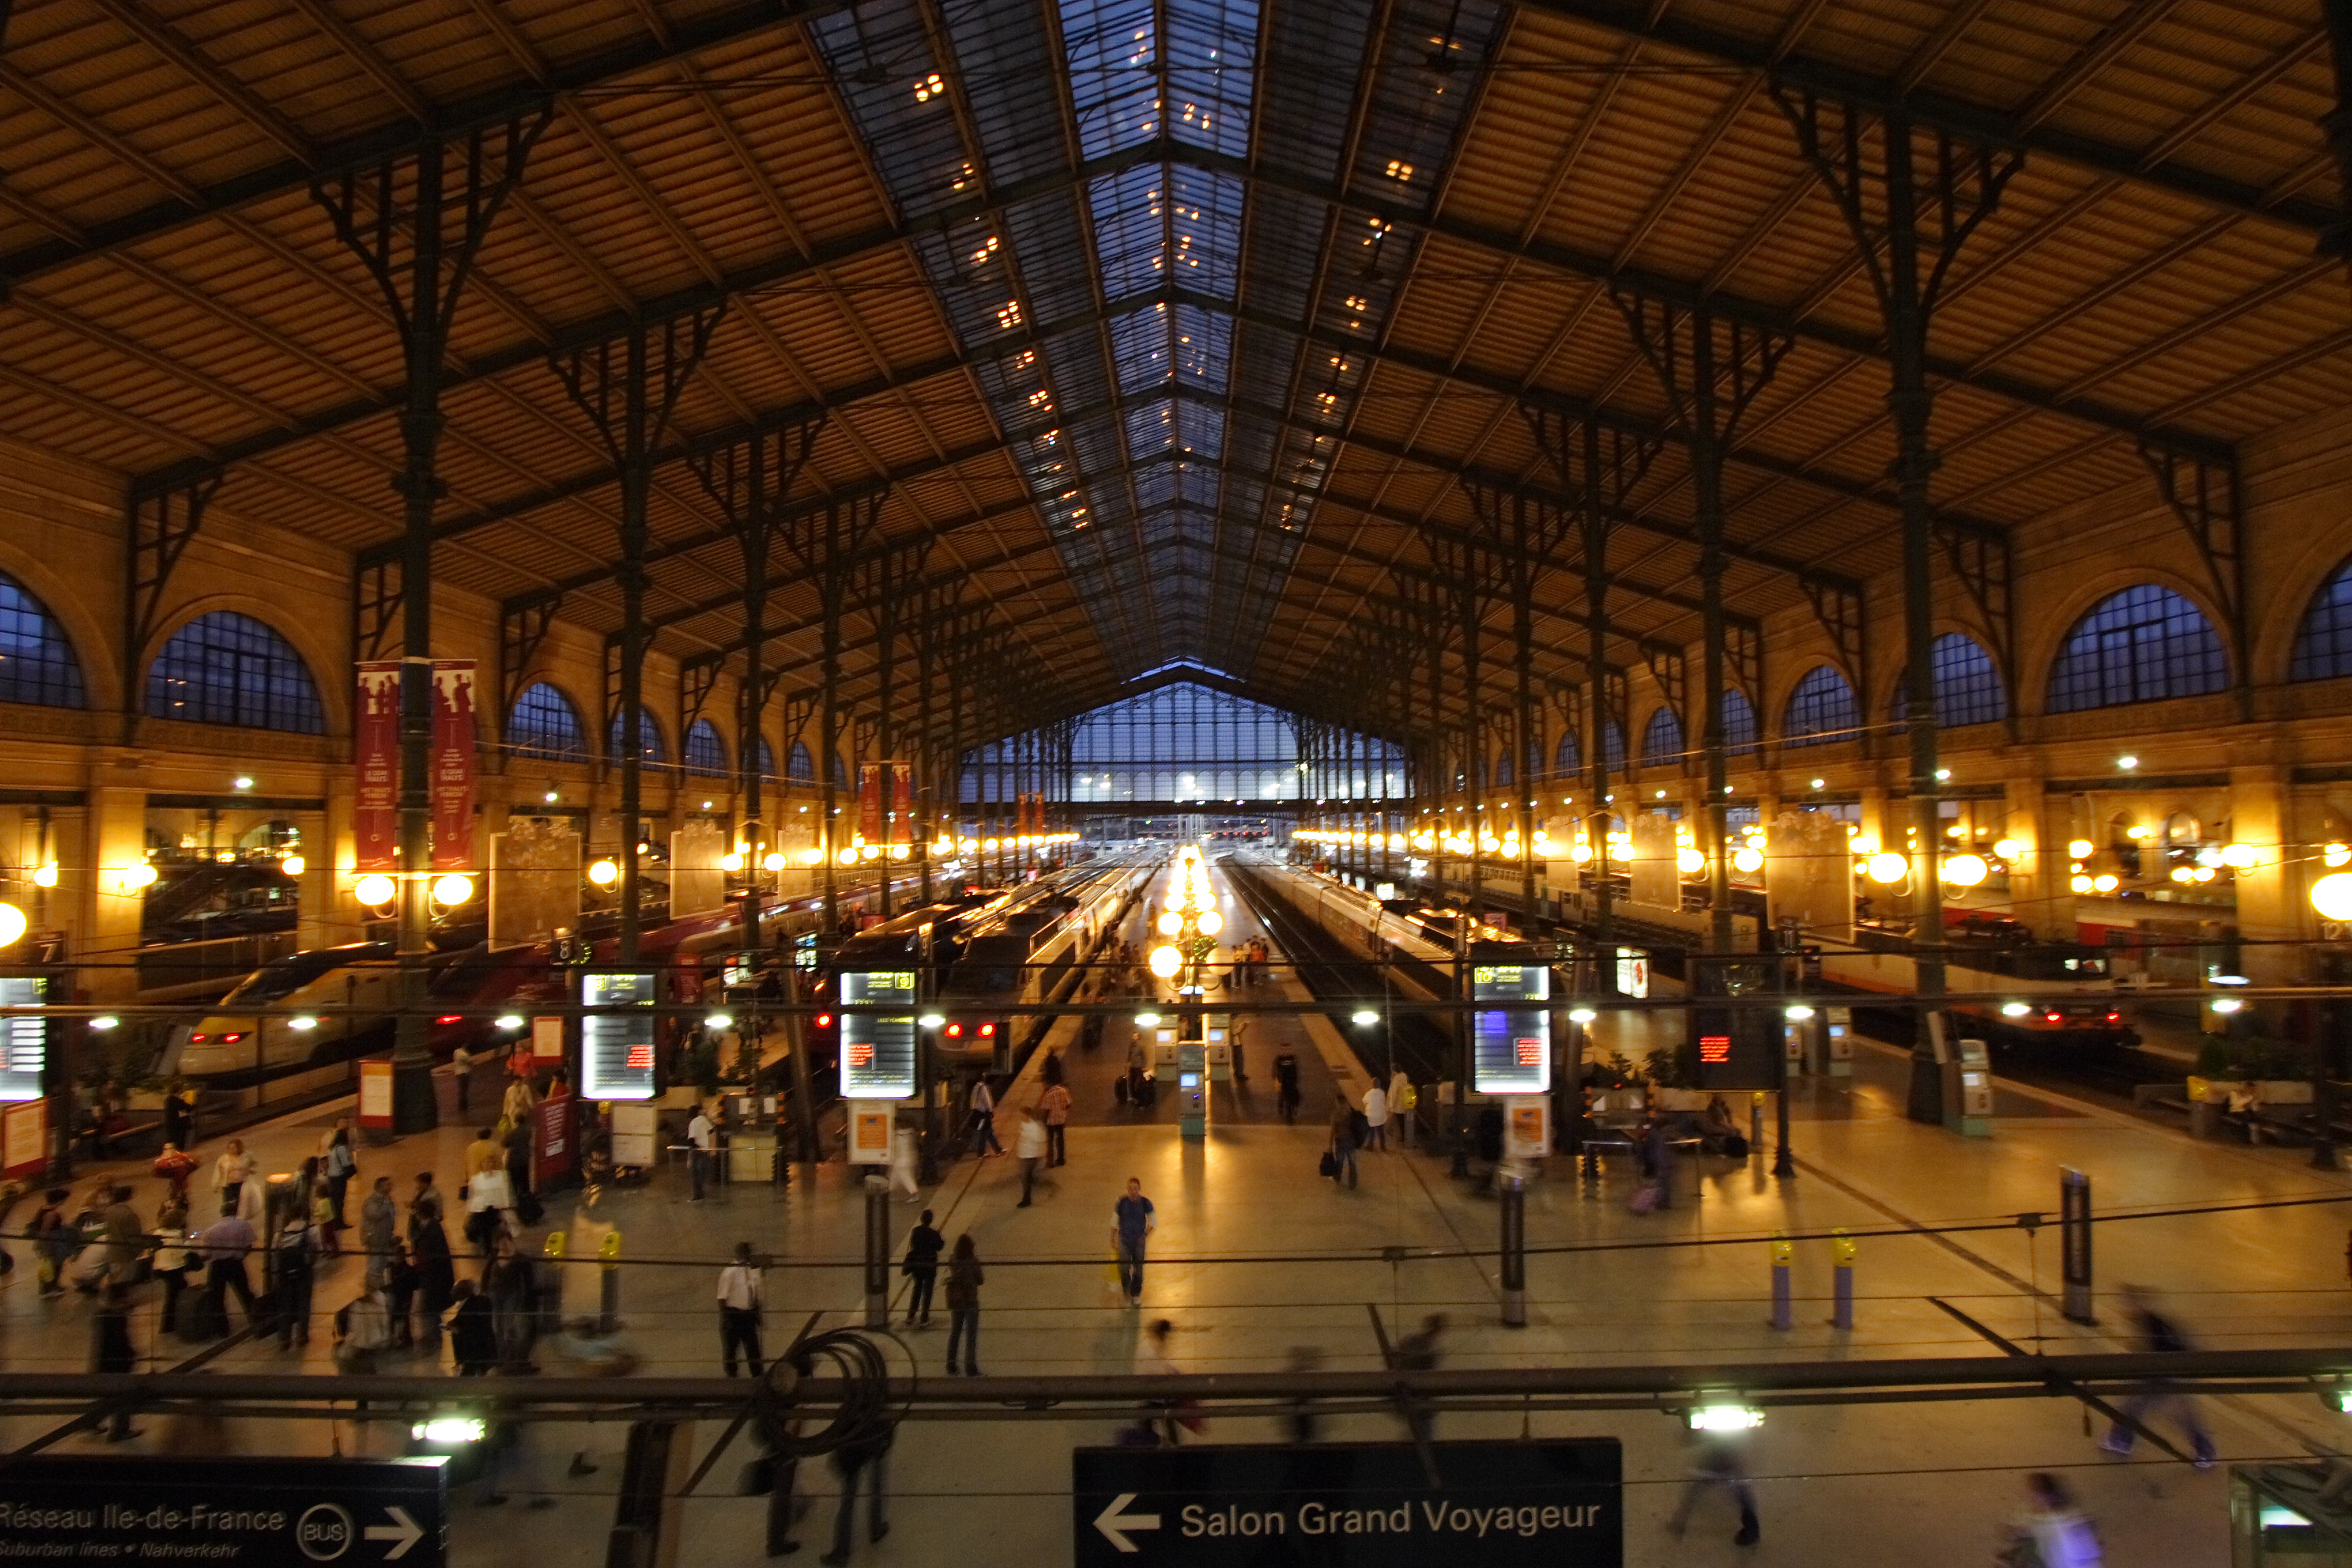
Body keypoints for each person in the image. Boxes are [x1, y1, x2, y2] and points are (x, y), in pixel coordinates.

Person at [2100, 1284, 2217, 1467]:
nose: (2124, 1307)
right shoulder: (2156, 1321)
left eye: (2128, 1303)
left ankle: (2121, 1440)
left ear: (2139, 1304)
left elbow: (2156, 1350)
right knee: (2152, 1408)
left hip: (2164, 1373)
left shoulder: (2149, 1322)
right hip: (2173, 1370)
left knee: (2137, 1406)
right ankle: (2204, 1451)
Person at [1667, 1427, 1761, 1546]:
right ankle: (1752, 1528)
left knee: (1733, 1487)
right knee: (1736, 1487)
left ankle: (1680, 1520)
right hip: (1722, 1449)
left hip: (1723, 1449)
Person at [818, 1420, 892, 1567]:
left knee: (848, 1499)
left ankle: (841, 1552)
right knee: (876, 1485)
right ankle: (876, 1529)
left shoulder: (853, 1398)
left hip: (854, 1441)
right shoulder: (878, 1398)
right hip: (876, 1436)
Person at [2000, 1472, 2102, 1567]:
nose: (2028, 1497)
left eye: (2033, 1493)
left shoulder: (2060, 1523)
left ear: (2044, 1495)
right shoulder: (2071, 1519)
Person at [409, 1175, 455, 1347]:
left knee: (429, 1310)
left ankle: (433, 1340)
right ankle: (433, 1337)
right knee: (430, 1310)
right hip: (435, 1279)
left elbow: (428, 1258)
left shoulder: (431, 1232)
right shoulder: (433, 1228)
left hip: (433, 1280)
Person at [91, 1284, 140, 1441]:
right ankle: (120, 1431)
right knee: (123, 1399)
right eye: (126, 1300)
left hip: (103, 1364)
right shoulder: (117, 1319)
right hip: (118, 1366)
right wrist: (132, 1355)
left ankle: (91, 1422)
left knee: (105, 1396)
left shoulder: (103, 1316)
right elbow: (121, 1343)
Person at [197, 1208, 259, 1330]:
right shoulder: (243, 1225)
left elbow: (205, 1254)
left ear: (222, 1213)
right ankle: (256, 1319)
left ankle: (222, 1329)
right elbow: (250, 1245)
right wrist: (241, 1256)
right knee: (245, 1292)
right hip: (236, 1263)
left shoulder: (210, 1231)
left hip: (217, 1266)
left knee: (218, 1297)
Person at [715, 1241, 765, 1377]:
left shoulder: (754, 1270)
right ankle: (732, 1375)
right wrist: (725, 1317)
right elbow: (722, 1297)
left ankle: (757, 1376)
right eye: (749, 1252)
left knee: (753, 1350)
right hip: (734, 1315)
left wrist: (758, 1314)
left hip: (749, 1315)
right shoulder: (730, 1272)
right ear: (742, 1254)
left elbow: (756, 1293)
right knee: (731, 1349)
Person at [1394, 1313, 1445, 1446]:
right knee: (1424, 1434)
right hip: (1420, 1399)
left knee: (1418, 1432)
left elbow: (1397, 1355)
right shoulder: (1429, 1350)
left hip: (1412, 1395)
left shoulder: (1413, 1340)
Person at [272, 1205, 316, 1350]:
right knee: (304, 1303)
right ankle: (302, 1336)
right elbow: (317, 1249)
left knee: (285, 1305)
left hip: (285, 1274)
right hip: (304, 1272)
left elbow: (274, 1253)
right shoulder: (310, 1230)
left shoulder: (279, 1234)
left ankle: (284, 1339)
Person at [944, 1234, 982, 1376]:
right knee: (971, 1335)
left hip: (957, 1301)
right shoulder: (973, 1261)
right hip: (971, 1301)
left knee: (955, 1332)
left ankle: (951, 1364)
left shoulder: (953, 1259)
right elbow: (980, 1280)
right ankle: (970, 1366)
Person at [1113, 1177, 1155, 1304]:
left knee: (1138, 1269)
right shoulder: (1122, 1202)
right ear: (1128, 1189)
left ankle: (1135, 1294)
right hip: (1124, 1241)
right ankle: (1126, 1293)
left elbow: (1153, 1221)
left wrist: (1145, 1235)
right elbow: (1115, 1221)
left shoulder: (1145, 1203)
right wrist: (1112, 1238)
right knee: (1124, 1268)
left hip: (1138, 1242)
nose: (1133, 1191)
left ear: (1139, 1189)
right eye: (1131, 1189)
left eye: (1135, 1189)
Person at [96, 1184, 144, 1290]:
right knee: (123, 1281)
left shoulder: (109, 1211)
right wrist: (139, 1250)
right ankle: (118, 1301)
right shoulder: (128, 1214)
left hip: (112, 1249)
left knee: (116, 1277)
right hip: (125, 1253)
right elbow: (133, 1236)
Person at [464, 1157, 512, 1260]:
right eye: (486, 1163)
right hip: (482, 1209)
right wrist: (469, 1209)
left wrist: (506, 1205)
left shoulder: (501, 1176)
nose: (489, 1165)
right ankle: (488, 1249)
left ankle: (501, 1248)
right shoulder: (476, 1179)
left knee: (500, 1230)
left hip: (496, 1208)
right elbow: (472, 1195)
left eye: (491, 1162)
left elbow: (504, 1191)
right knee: (485, 1230)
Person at [446, 1279, 496, 1375]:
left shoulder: (471, 1306)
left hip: (473, 1349)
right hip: (480, 1347)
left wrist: (457, 1330)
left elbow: (472, 1326)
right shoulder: (474, 1303)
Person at [902, 1211, 943, 1327]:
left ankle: (911, 1316)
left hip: (917, 1265)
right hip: (929, 1266)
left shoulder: (916, 1231)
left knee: (917, 1290)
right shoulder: (934, 1233)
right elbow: (940, 1246)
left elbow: (914, 1244)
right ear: (930, 1220)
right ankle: (924, 1318)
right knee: (928, 1292)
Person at [360, 1176, 397, 1290]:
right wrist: (386, 1204)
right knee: (374, 1266)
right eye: (387, 1185)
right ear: (380, 1187)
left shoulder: (388, 1200)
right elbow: (375, 1215)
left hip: (385, 1238)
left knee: (382, 1265)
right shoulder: (371, 1201)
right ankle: (373, 1290)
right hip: (375, 1239)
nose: (390, 1187)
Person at [384, 1238, 420, 1350]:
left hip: (404, 1298)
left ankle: (406, 1340)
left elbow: (412, 1284)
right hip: (397, 1298)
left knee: (404, 1320)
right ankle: (396, 1339)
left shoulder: (407, 1270)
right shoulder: (394, 1268)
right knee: (395, 1319)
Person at [323, 1120, 357, 1229]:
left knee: (333, 1201)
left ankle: (333, 1222)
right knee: (339, 1201)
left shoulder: (331, 1148)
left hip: (331, 1176)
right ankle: (339, 1223)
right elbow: (346, 1163)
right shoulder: (341, 1148)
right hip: (339, 1177)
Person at [212, 1139, 254, 1220]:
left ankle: (238, 1221)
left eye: (234, 1148)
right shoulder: (223, 1159)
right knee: (228, 1204)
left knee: (240, 1204)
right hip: (228, 1185)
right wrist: (215, 1185)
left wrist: (250, 1170)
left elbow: (252, 1167)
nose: (232, 1150)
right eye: (230, 1148)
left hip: (241, 1184)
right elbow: (217, 1172)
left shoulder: (245, 1157)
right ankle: (227, 1220)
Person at [1015, 1107, 1047, 1207]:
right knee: (1026, 1177)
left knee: (1025, 1178)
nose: (1020, 1118)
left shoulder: (1034, 1128)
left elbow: (1040, 1140)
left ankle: (1027, 1199)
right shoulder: (1024, 1125)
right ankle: (1031, 1183)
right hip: (1025, 1155)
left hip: (1031, 1156)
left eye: (1022, 1115)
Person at [1327, 1092, 1360, 1189]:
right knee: (1352, 1162)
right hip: (1351, 1141)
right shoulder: (1351, 1112)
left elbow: (1333, 1131)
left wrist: (1330, 1145)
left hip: (1341, 1141)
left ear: (1338, 1102)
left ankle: (1337, 1178)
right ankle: (1353, 1183)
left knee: (1340, 1161)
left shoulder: (1336, 1115)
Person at [687, 1102, 716, 1201]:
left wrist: (694, 1146)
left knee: (694, 1172)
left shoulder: (693, 1123)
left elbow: (691, 1140)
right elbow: (712, 1130)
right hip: (705, 1149)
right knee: (703, 1171)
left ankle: (697, 1195)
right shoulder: (703, 1119)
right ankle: (702, 1192)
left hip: (696, 1150)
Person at [968, 1078, 1003, 1157]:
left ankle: (994, 1151)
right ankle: (996, 1151)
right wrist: (991, 1111)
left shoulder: (975, 1088)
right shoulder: (983, 1088)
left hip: (977, 1112)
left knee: (987, 1132)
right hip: (984, 1114)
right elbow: (987, 1101)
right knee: (986, 1132)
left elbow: (972, 1101)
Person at [1041, 1079, 1072, 1166]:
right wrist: (1063, 1111)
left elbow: (1046, 1109)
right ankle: (1061, 1159)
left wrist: (1044, 1121)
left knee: (1050, 1141)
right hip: (1061, 1119)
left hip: (1051, 1121)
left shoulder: (1048, 1094)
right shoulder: (1064, 1091)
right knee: (1060, 1140)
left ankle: (1050, 1161)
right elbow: (1068, 1104)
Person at [1274, 1048, 1301, 1124]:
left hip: (1290, 1083)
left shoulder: (1292, 1059)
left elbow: (1294, 1070)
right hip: (1284, 1083)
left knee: (1288, 1098)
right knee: (1286, 1099)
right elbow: (1276, 1070)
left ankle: (1284, 1110)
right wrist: (1277, 1081)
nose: (1285, 1052)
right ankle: (1288, 1116)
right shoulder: (1279, 1059)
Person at [1388, 1068, 1414, 1147]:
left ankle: (1401, 1137)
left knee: (1399, 1122)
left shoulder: (1396, 1080)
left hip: (1398, 1106)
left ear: (1395, 1071)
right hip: (1406, 1103)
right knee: (1405, 1122)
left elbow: (1394, 1094)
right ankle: (1405, 1136)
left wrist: (1391, 1105)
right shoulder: (1404, 1077)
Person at [1362, 1081, 1390, 1152]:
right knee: (1381, 1131)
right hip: (1380, 1115)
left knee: (1372, 1131)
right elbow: (1384, 1101)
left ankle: (1370, 1146)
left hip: (1371, 1115)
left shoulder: (1369, 1093)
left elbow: (1364, 1101)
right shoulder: (1382, 1093)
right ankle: (1382, 1147)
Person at [450, 1043, 474, 1113]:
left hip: (458, 1073)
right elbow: (471, 1062)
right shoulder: (464, 1055)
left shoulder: (456, 1052)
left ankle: (461, 1106)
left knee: (461, 1090)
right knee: (464, 1090)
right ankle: (464, 1106)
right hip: (465, 1073)